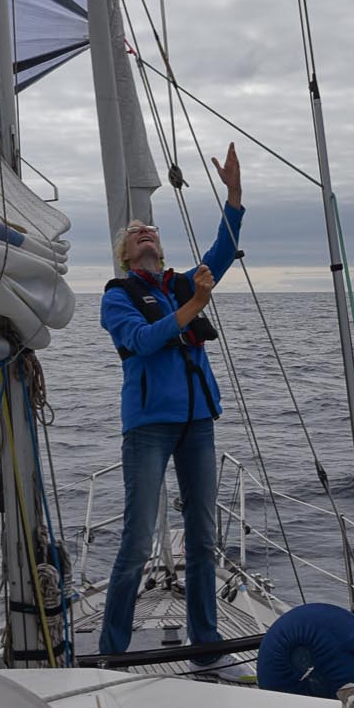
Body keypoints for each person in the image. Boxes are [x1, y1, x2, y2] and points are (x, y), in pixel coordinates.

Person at [96, 144, 245, 657]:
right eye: (137, 233)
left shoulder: (182, 284)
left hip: (197, 421)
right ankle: (113, 647)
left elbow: (222, 253)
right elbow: (140, 340)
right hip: (149, 427)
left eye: (152, 230)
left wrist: (234, 195)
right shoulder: (117, 295)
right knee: (136, 543)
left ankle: (207, 640)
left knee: (203, 539)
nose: (147, 233)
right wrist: (196, 306)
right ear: (125, 253)